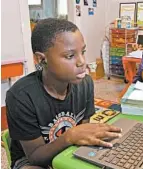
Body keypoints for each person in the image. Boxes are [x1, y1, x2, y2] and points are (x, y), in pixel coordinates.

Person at [6, 18, 122, 169]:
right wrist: (69, 137)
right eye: (70, 56)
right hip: (32, 160)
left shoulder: (85, 84)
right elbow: (35, 157)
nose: (82, 62)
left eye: (83, 52)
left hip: (68, 148)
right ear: (41, 59)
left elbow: (82, 132)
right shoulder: (21, 96)